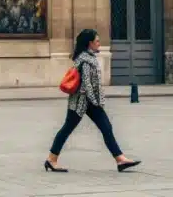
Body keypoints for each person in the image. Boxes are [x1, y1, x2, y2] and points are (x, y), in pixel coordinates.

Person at [45, 29, 141, 173]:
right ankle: (51, 160)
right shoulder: (86, 60)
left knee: (106, 128)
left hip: (87, 102)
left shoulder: (87, 57)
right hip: (82, 102)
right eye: (96, 41)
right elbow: (87, 84)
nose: (99, 43)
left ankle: (120, 159)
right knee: (68, 129)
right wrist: (97, 102)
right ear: (90, 43)